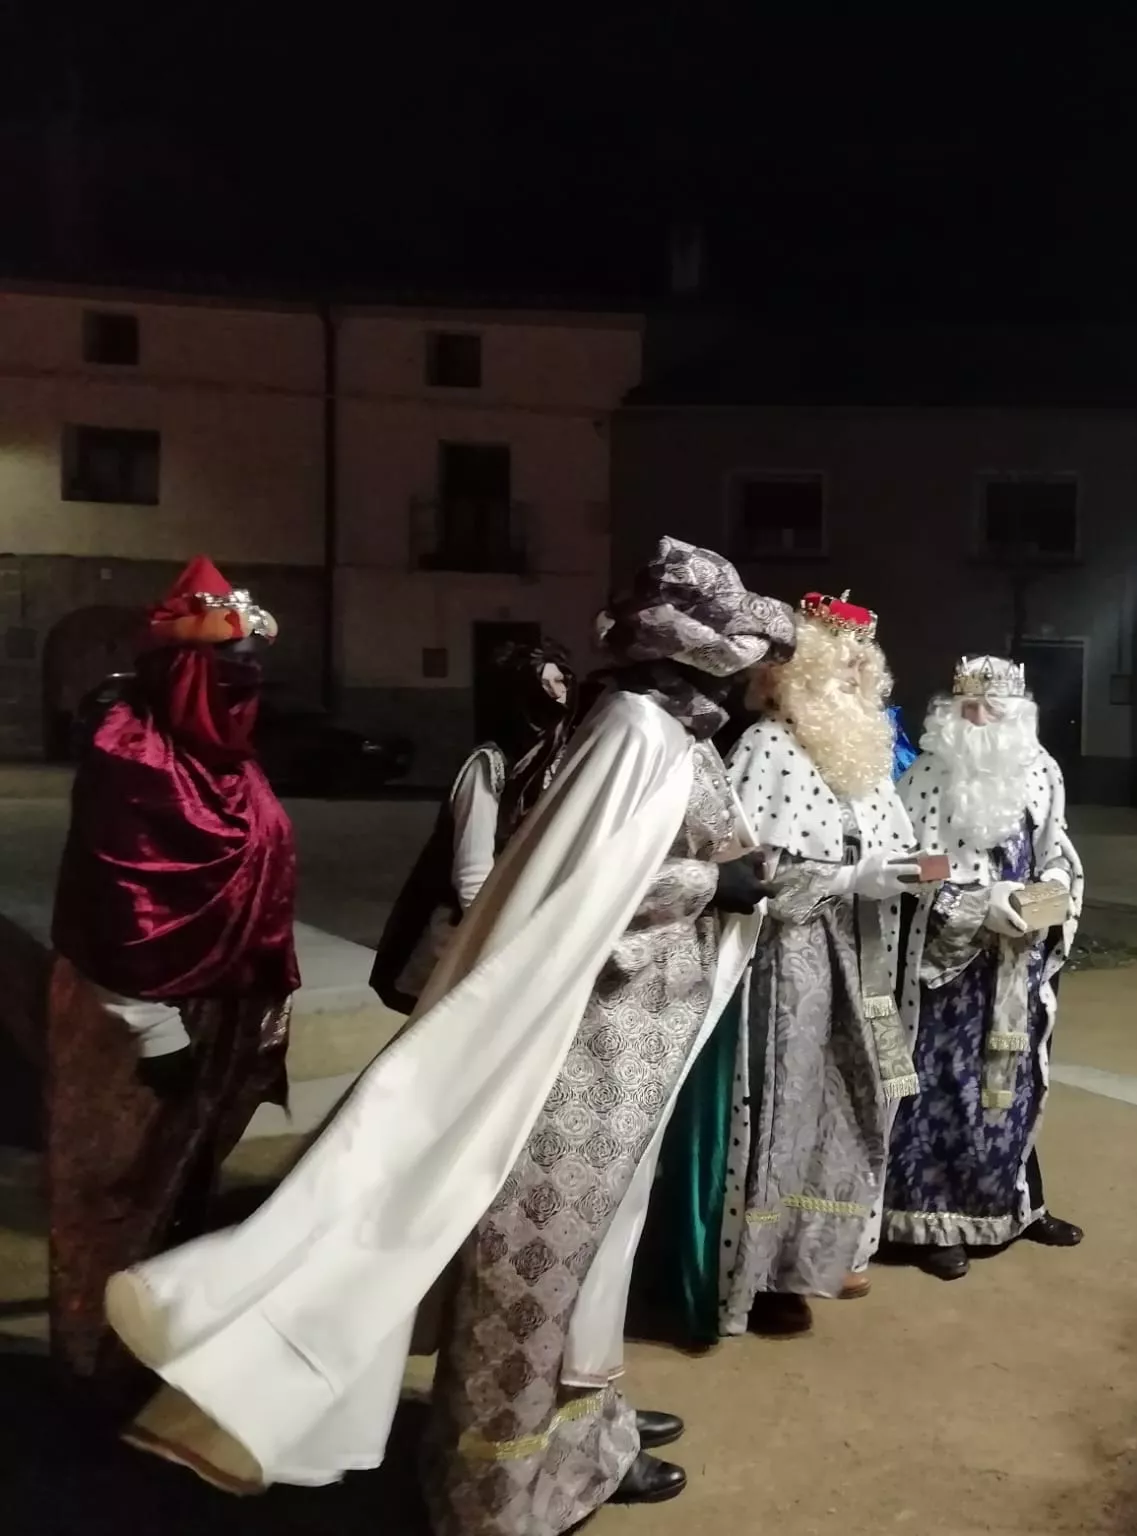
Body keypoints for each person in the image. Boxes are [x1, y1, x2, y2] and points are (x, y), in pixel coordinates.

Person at [103, 538, 793, 1536]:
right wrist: (710, 882)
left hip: (627, 1051)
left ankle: (585, 1441)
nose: (743, 681)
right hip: (576, 1051)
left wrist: (736, 874)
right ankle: (494, 1489)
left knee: (587, 1256)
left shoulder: (664, 732)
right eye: (736, 660)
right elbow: (584, 887)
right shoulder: (635, 732)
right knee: (531, 1262)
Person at [44, 558, 298, 1407]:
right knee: (118, 1189)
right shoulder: (132, 759)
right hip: (134, 1013)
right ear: (187, 673)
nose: (244, 692)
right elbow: (111, 901)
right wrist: (153, 1028)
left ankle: (162, 1349)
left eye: (251, 675)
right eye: (229, 674)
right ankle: (97, 1366)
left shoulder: (231, 765)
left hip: (220, 1008)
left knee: (185, 1186)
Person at [712, 592, 921, 1337]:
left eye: (866, 670)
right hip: (793, 961)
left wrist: (915, 873)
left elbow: (890, 846)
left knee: (861, 1097)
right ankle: (766, 1274)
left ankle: (830, 1250)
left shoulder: (861, 759)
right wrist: (850, 877)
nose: (858, 682)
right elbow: (752, 872)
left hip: (865, 956)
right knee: (790, 1107)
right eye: (843, 668)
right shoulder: (766, 748)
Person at [883, 656, 1086, 1281]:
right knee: (944, 1089)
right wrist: (974, 904)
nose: (977, 718)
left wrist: (1048, 893)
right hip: (946, 971)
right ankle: (933, 1223)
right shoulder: (925, 776)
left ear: (1017, 714)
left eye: (991, 709)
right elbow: (909, 866)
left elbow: (1056, 850)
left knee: (1014, 1087)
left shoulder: (1040, 769)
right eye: (965, 707)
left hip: (1017, 964)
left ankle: (1015, 1206)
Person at [372, 640, 578, 1013]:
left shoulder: (558, 763)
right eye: (543, 685)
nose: (556, 695)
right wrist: (499, 945)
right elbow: (472, 875)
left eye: (560, 681)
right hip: (473, 940)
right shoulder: (488, 766)